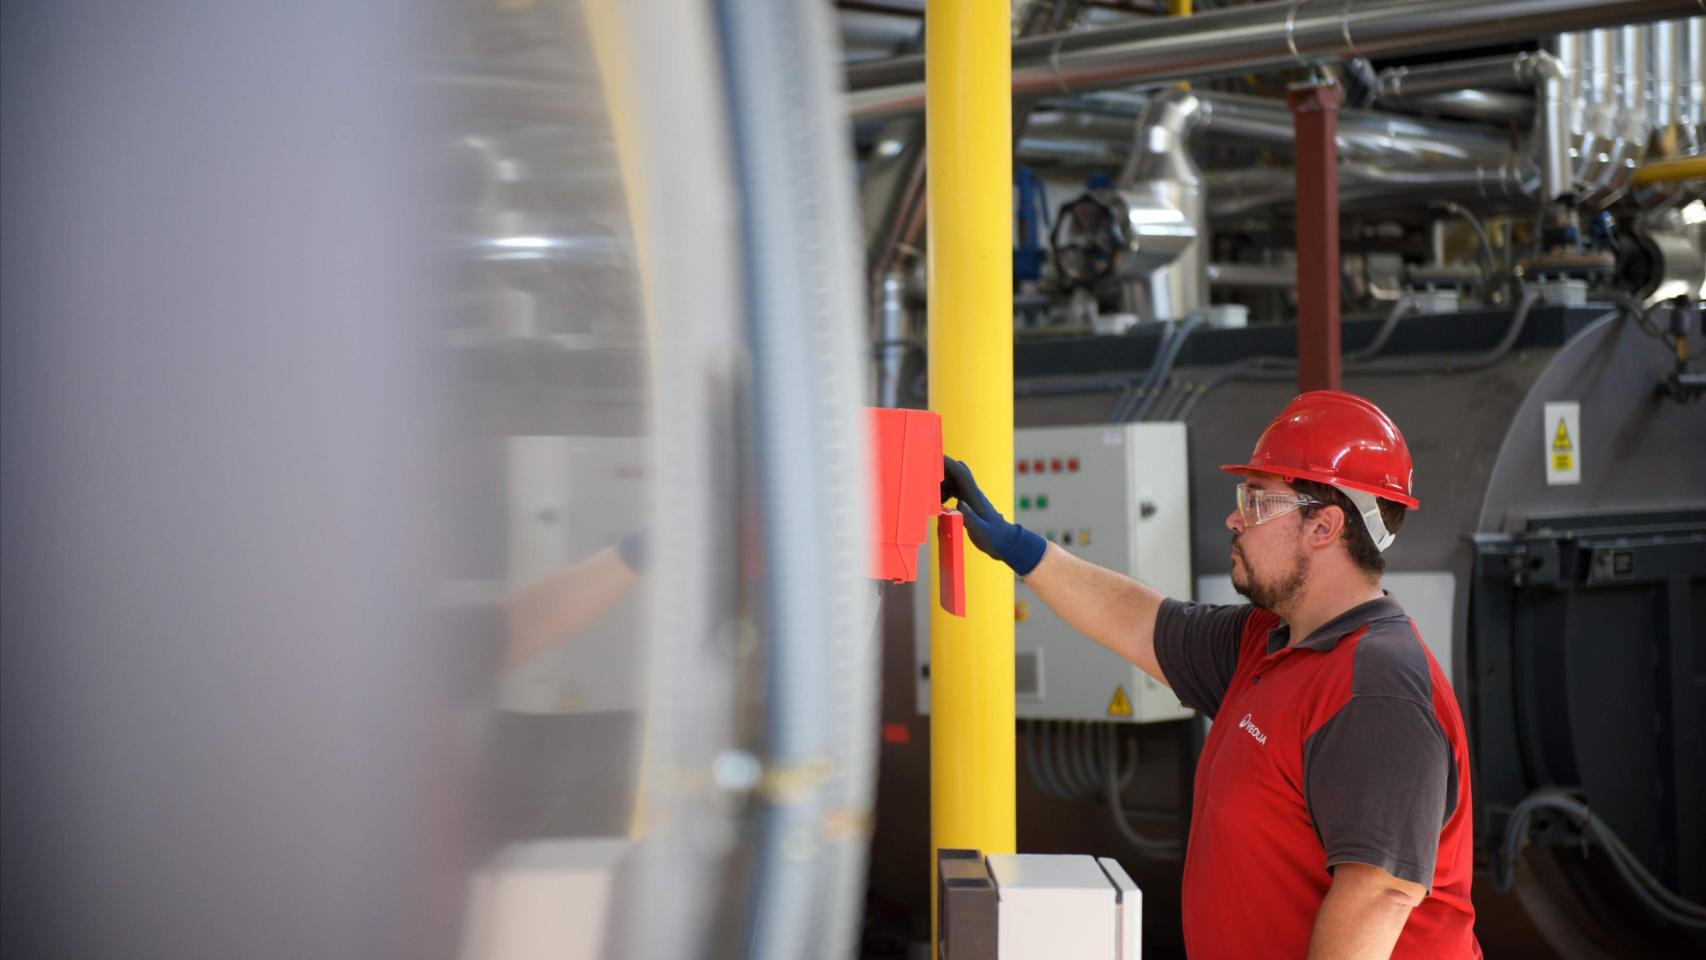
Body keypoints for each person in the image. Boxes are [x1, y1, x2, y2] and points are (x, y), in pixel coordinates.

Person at [942, 390, 1479, 960]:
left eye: (1257, 501)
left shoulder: (1375, 687)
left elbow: (1380, 896)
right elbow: (1141, 621)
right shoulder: (1268, 640)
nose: (1234, 518)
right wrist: (1019, 547)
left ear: (1324, 527)